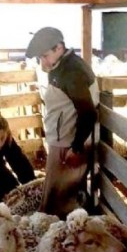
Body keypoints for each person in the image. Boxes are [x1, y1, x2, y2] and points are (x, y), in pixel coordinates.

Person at [26, 27, 99, 219]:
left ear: (59, 48)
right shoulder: (60, 67)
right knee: (55, 194)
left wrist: (75, 148)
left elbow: (87, 112)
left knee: (61, 199)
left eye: (45, 56)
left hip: (68, 143)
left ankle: (61, 238)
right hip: (61, 138)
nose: (43, 62)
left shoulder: (73, 71)